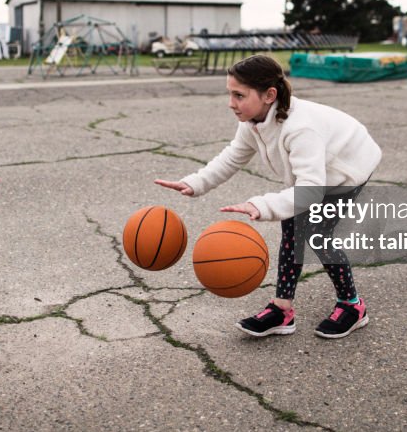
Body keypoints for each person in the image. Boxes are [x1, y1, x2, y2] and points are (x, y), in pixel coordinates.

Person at [155, 54, 381, 339]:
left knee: (316, 234)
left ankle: (353, 306)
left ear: (269, 95)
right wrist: (195, 183)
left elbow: (311, 189)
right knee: (292, 230)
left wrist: (260, 205)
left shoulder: (301, 128)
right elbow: (232, 157)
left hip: (346, 168)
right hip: (312, 175)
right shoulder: (253, 120)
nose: (231, 103)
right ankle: (282, 310)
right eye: (230, 94)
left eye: (239, 95)